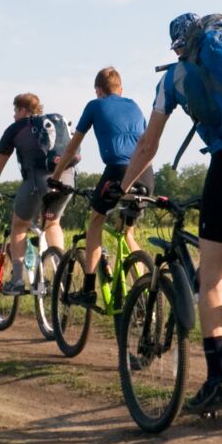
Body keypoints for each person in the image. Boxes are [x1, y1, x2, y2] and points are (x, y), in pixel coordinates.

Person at [119, 13, 222, 413]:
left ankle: (216, 382)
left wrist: (123, 189)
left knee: (210, 274)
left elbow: (148, 145)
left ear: (179, 46)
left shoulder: (175, 76)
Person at [50, 66, 152, 304]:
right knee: (127, 232)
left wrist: (56, 176)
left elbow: (72, 147)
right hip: (146, 173)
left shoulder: (94, 106)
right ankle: (147, 292)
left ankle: (88, 289)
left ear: (98, 90)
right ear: (121, 89)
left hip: (118, 171)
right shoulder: (134, 105)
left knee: (95, 220)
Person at [0, 93, 74, 296]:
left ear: (23, 109)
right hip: (67, 180)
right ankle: (61, 269)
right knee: (52, 222)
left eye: (15, 110)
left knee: (19, 225)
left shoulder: (17, 128)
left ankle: (16, 281)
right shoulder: (53, 124)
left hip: (38, 182)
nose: (14, 115)